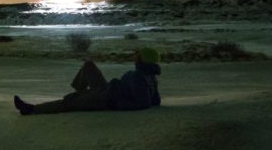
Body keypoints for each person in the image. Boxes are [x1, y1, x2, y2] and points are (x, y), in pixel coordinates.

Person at [13, 47, 161, 115]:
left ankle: (31, 109)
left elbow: (143, 104)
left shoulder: (139, 78)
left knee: (68, 102)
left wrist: (115, 103)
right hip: (106, 90)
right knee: (88, 66)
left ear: (143, 59)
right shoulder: (148, 77)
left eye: (137, 54)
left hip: (104, 98)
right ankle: (81, 93)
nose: (134, 55)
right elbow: (155, 100)